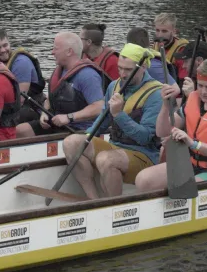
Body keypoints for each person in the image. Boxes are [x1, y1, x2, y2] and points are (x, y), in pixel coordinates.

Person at [62, 44, 162, 198]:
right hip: (116, 146)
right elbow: (102, 120)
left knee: (106, 159)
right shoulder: (113, 87)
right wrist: (87, 136)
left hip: (144, 154)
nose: (122, 74)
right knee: (71, 142)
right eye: (120, 68)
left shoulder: (156, 94)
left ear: (142, 67)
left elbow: (145, 137)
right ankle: (92, 200)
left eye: (128, 70)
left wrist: (119, 114)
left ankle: (114, 206)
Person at [135, 59, 207, 191]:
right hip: (191, 164)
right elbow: (161, 132)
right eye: (200, 85)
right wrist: (166, 106)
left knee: (183, 187)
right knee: (143, 180)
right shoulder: (194, 101)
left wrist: (193, 143)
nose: (203, 92)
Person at [15, 32, 104, 137]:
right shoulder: (59, 71)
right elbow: (51, 98)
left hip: (78, 129)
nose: (52, 52)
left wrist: (69, 117)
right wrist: (45, 112)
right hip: (56, 123)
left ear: (69, 51)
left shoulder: (88, 76)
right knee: (18, 131)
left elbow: (99, 107)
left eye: (56, 48)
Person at [0, 28, 45, 123]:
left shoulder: (21, 63)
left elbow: (20, 100)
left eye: (5, 45)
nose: (3, 50)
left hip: (31, 109)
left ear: (9, 43)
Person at [152, 13, 190, 79]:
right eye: (157, 30)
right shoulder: (153, 46)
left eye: (164, 31)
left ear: (174, 32)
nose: (160, 35)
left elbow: (183, 80)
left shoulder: (181, 51)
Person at [81, 23, 119, 87]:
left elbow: (116, 88)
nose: (78, 41)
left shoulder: (112, 61)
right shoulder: (80, 56)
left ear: (89, 42)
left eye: (80, 39)